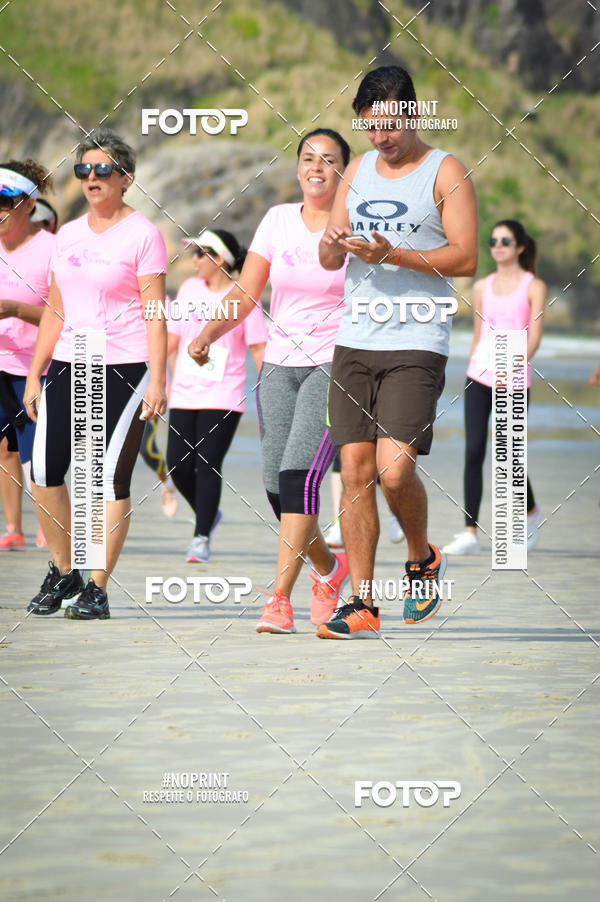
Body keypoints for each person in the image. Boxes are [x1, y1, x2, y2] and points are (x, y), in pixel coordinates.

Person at [318, 65, 478, 638]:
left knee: (392, 469)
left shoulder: (446, 170)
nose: (381, 138)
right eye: (369, 128)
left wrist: (396, 256)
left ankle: (420, 558)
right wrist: (332, 245)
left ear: (412, 113)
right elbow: (330, 259)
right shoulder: (356, 170)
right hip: (355, 337)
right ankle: (361, 601)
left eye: (389, 125)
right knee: (354, 469)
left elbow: (465, 259)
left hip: (417, 337)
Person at [189, 128, 351, 632]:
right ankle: (328, 568)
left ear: (345, 171)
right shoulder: (278, 221)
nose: (317, 167)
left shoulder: (356, 227)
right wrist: (208, 333)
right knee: (276, 489)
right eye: (308, 158)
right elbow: (246, 292)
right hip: (279, 366)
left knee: (300, 475)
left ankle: (278, 598)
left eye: (328, 160)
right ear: (298, 167)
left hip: (334, 365)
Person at [24, 128, 167, 619]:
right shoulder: (67, 235)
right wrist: (33, 373)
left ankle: (98, 588)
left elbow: (155, 312)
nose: (91, 178)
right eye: (84, 170)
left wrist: (161, 381)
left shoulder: (143, 234)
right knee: (43, 470)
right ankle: (66, 571)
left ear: (125, 178)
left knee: (109, 477)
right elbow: (55, 310)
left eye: (103, 170)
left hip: (125, 364)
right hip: (68, 360)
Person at [443, 220, 546, 556]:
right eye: (493, 240)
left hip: (514, 379)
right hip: (479, 376)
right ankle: (469, 531)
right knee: (474, 451)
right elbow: (479, 334)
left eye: (505, 240)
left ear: (519, 247)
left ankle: (531, 514)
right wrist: (475, 366)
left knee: (509, 457)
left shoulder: (534, 286)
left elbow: (535, 336)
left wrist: (513, 366)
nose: (498, 245)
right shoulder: (480, 287)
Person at [166, 229, 267, 562]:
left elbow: (257, 347)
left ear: (220, 259)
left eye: (200, 253)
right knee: (178, 465)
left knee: (207, 463)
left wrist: (269, 391)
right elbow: (173, 340)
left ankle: (201, 536)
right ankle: (208, 513)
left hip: (224, 393)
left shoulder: (243, 296)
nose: (193, 260)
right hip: (183, 391)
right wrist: (159, 382)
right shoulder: (189, 289)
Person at [0, 158, 55, 550]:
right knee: (4, 450)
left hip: (38, 369)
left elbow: (66, 316)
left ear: (29, 204)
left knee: (41, 458)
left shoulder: (54, 249)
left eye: (6, 201)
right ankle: (13, 529)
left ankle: (51, 527)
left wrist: (16, 310)